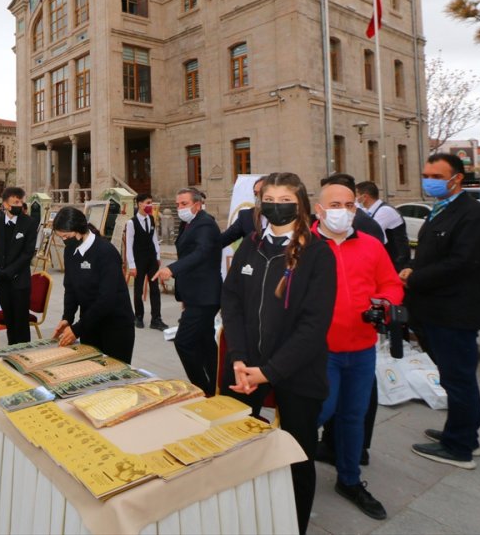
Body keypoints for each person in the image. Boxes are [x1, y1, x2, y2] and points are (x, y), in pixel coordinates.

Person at [219, 172, 336, 535]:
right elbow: (232, 301)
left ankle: (294, 524)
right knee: (234, 445)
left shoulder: (317, 253)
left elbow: (313, 326)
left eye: (285, 198)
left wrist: (269, 371)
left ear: (299, 203)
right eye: (269, 197)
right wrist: (238, 358)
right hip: (243, 366)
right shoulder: (251, 245)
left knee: (296, 456)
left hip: (297, 372)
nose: (276, 204)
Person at [312, 180, 402, 521]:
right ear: (319, 210)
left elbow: (391, 283)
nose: (344, 211)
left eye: (349, 204)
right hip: (321, 351)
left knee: (353, 416)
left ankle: (349, 480)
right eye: (335, 205)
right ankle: (291, 472)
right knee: (321, 411)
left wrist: (388, 304)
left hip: (362, 349)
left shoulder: (370, 245)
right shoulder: (303, 246)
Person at [402, 153, 480, 469]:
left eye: (436, 176)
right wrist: (412, 267)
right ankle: (466, 433)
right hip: (434, 311)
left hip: (454, 313)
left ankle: (459, 448)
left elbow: (463, 264)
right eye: (426, 173)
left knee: (458, 379)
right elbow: (430, 253)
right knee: (455, 377)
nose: (429, 180)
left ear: (456, 179)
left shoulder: (474, 214)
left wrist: (416, 276)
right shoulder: (441, 211)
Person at [152, 187, 222, 395]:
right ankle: (216, 386)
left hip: (205, 296)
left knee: (184, 342)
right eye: (178, 204)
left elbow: (200, 253)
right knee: (205, 342)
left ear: (197, 205)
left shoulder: (206, 224)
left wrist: (171, 269)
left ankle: (203, 388)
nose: (179, 208)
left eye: (184, 204)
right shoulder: (189, 223)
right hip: (195, 294)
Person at [53, 206, 136, 362]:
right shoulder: (70, 250)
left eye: (66, 236)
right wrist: (67, 317)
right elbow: (70, 287)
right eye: (61, 237)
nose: (64, 241)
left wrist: (76, 329)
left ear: (79, 230)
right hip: (90, 324)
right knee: (90, 369)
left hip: (115, 325)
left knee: (114, 376)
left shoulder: (106, 252)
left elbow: (106, 299)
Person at [0, 186, 38, 345]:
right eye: (16, 201)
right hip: (2, 283)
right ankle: (11, 352)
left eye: (21, 201)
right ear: (5, 204)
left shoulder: (29, 223)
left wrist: (7, 272)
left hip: (20, 282)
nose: (19, 204)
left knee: (21, 324)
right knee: (9, 321)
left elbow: (27, 254)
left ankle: (23, 355)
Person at [125, 193, 167, 331]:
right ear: (140, 204)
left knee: (155, 289)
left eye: (151, 202)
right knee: (138, 289)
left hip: (151, 259)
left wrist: (158, 256)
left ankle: (156, 318)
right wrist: (131, 265)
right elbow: (129, 245)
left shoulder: (151, 219)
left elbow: (154, 238)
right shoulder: (132, 223)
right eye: (148, 202)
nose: (150, 205)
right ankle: (138, 316)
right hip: (139, 260)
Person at [356, 180, 410, 271]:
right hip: (389, 261)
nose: (355, 199)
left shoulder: (385, 210)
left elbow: (370, 233)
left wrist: (355, 208)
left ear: (365, 197)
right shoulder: (370, 211)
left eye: (356, 195)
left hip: (397, 263)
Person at [219, 176, 266, 249]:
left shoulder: (285, 216)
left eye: (261, 192)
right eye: (255, 193)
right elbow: (223, 239)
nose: (258, 197)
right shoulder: (246, 216)